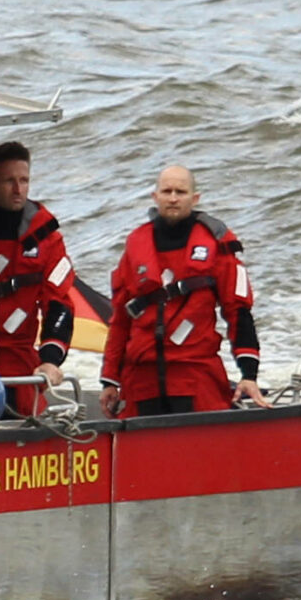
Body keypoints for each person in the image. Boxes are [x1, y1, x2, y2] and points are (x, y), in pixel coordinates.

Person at [101, 165, 265, 416]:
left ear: (195, 198)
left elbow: (238, 312)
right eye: (167, 191)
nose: (174, 198)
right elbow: (121, 319)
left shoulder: (216, 243)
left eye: (181, 191)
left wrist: (249, 375)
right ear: (155, 197)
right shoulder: (136, 244)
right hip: (142, 380)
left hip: (195, 374)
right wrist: (110, 380)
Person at [0, 140, 73, 415]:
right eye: (9, 181)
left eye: (24, 180)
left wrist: (50, 360)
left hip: (20, 360)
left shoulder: (47, 237)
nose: (18, 190)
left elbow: (60, 304)